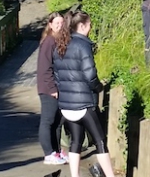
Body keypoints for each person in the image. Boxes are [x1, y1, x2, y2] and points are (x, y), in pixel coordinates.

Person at [52, 10, 116, 177]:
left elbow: (57, 78)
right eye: (89, 25)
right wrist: (98, 87)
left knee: (76, 141)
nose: (90, 28)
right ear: (81, 26)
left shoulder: (59, 45)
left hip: (66, 105)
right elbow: (90, 75)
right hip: (84, 104)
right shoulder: (83, 46)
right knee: (100, 140)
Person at [37, 12, 69, 165]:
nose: (59, 25)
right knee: (47, 120)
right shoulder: (49, 41)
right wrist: (51, 88)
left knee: (57, 122)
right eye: (56, 23)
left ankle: (56, 151)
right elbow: (44, 67)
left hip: (56, 86)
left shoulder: (57, 40)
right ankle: (48, 153)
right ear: (50, 24)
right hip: (48, 88)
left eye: (61, 23)